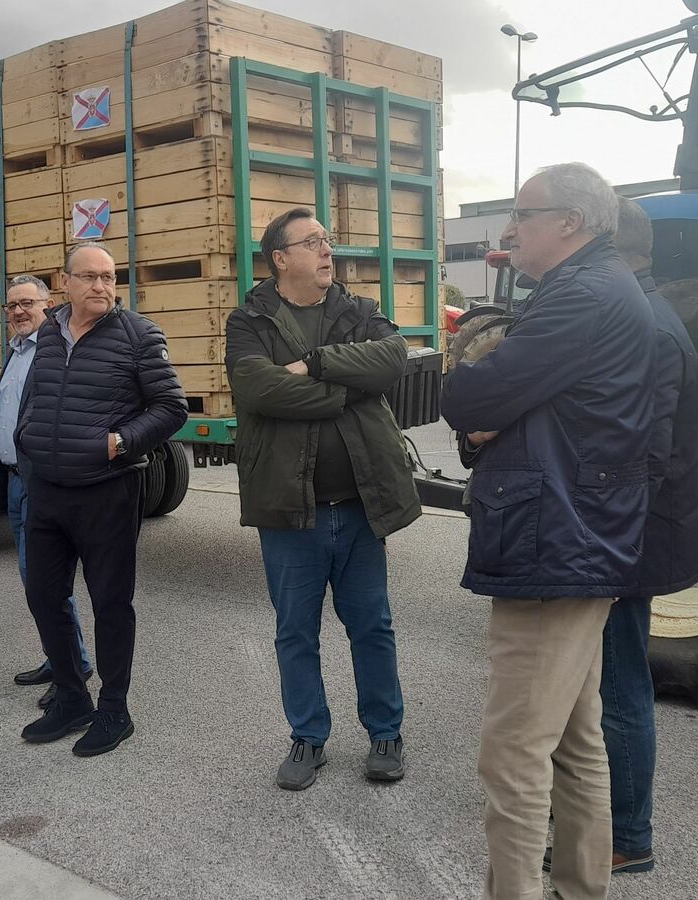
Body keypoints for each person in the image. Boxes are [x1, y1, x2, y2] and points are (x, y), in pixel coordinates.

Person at [441, 162, 655, 900]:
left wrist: (480, 401)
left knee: (514, 755)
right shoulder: (594, 287)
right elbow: (507, 408)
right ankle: (580, 887)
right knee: (573, 739)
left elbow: (471, 389)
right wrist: (491, 415)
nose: (507, 231)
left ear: (571, 221)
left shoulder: (581, 297)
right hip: (576, 536)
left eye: (522, 214)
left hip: (554, 540)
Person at [225, 208, 421, 791]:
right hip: (290, 510)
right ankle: (308, 738)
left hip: (360, 504)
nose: (326, 250)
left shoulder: (356, 310)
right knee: (295, 631)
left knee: (372, 625)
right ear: (280, 258)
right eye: (312, 242)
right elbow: (256, 387)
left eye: (327, 240)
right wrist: (345, 395)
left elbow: (392, 359)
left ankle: (385, 732)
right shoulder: (251, 318)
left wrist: (313, 365)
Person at [16, 242, 186, 756]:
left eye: (109, 277)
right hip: (45, 489)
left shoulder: (138, 334)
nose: (101, 287)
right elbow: (37, 396)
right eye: (89, 277)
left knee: (111, 603)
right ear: (63, 282)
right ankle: (72, 697)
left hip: (106, 491)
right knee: (44, 595)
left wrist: (120, 442)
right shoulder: (47, 332)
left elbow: (171, 407)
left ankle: (114, 709)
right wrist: (27, 440)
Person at [580, 197, 698, 876]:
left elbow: (641, 456)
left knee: (621, 688)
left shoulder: (645, 329)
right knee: (610, 683)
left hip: (623, 541)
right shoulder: (644, 314)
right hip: (626, 534)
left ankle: (627, 836)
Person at [0, 274, 93, 708]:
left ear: (48, 305)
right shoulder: (15, 353)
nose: (18, 311)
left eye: (27, 303)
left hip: (41, 482)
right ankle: (59, 657)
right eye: (11, 305)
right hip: (14, 480)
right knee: (35, 583)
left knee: (47, 584)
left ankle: (74, 666)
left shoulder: (54, 352)